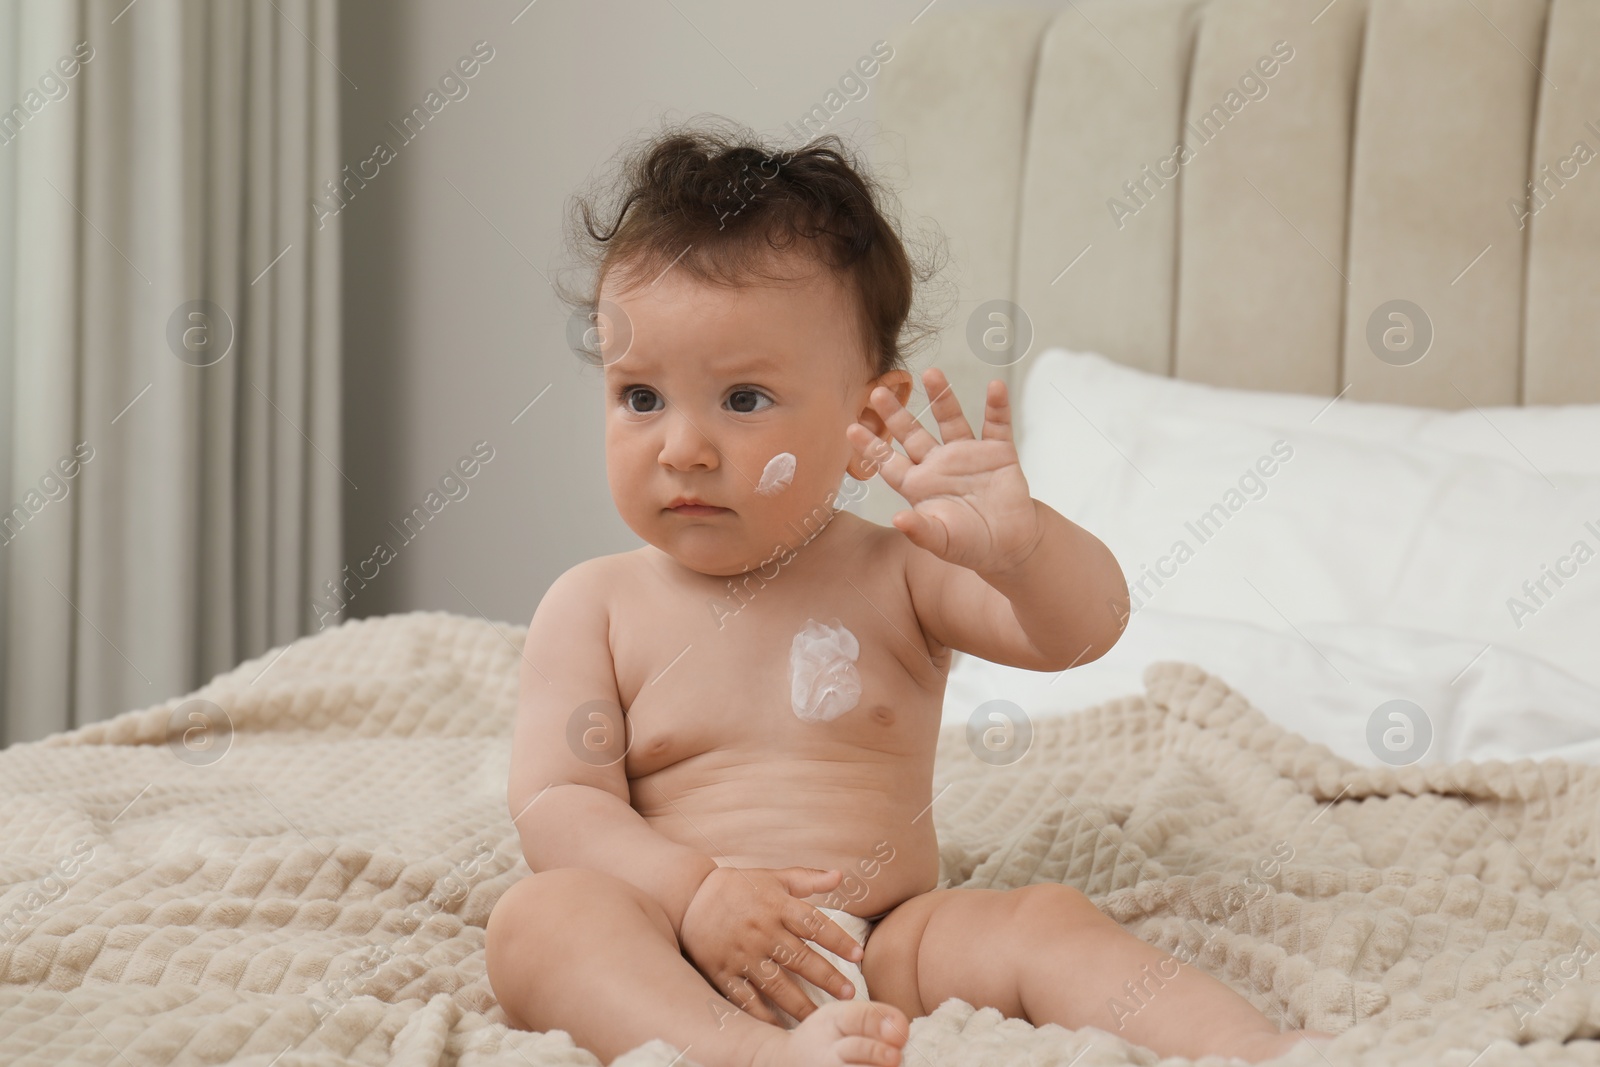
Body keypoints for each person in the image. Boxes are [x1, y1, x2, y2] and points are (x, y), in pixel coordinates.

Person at [485, 119, 1334, 1067]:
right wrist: (692, 893)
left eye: (743, 399)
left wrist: (1023, 549)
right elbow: (558, 802)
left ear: (863, 414)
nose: (681, 444)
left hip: (888, 942)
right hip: (676, 944)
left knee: (1043, 920)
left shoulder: (896, 572)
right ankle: (739, 1053)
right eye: (640, 396)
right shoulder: (595, 605)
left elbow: (1082, 631)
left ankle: (1259, 1049)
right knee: (540, 919)